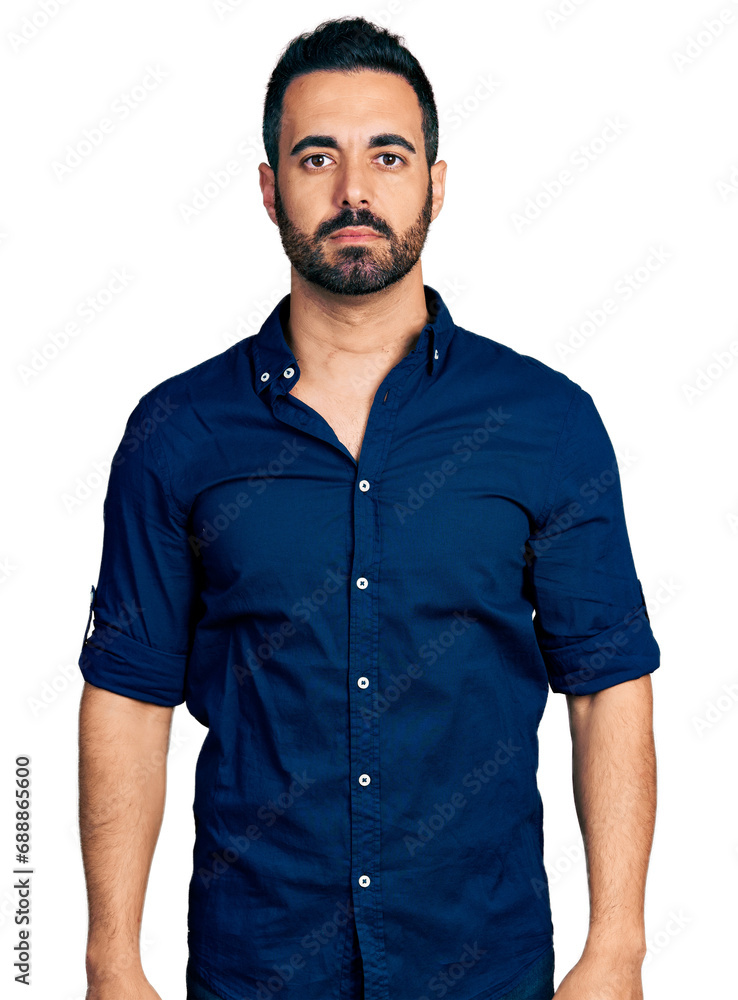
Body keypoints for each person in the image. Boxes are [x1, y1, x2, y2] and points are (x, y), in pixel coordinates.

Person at [77, 16, 660, 1000]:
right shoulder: (178, 433)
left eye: (389, 156)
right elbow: (130, 698)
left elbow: (607, 686)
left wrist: (618, 949)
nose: (355, 190)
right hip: (257, 968)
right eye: (318, 157)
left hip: (485, 969)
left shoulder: (545, 423)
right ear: (270, 188)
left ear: (436, 183)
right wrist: (110, 961)